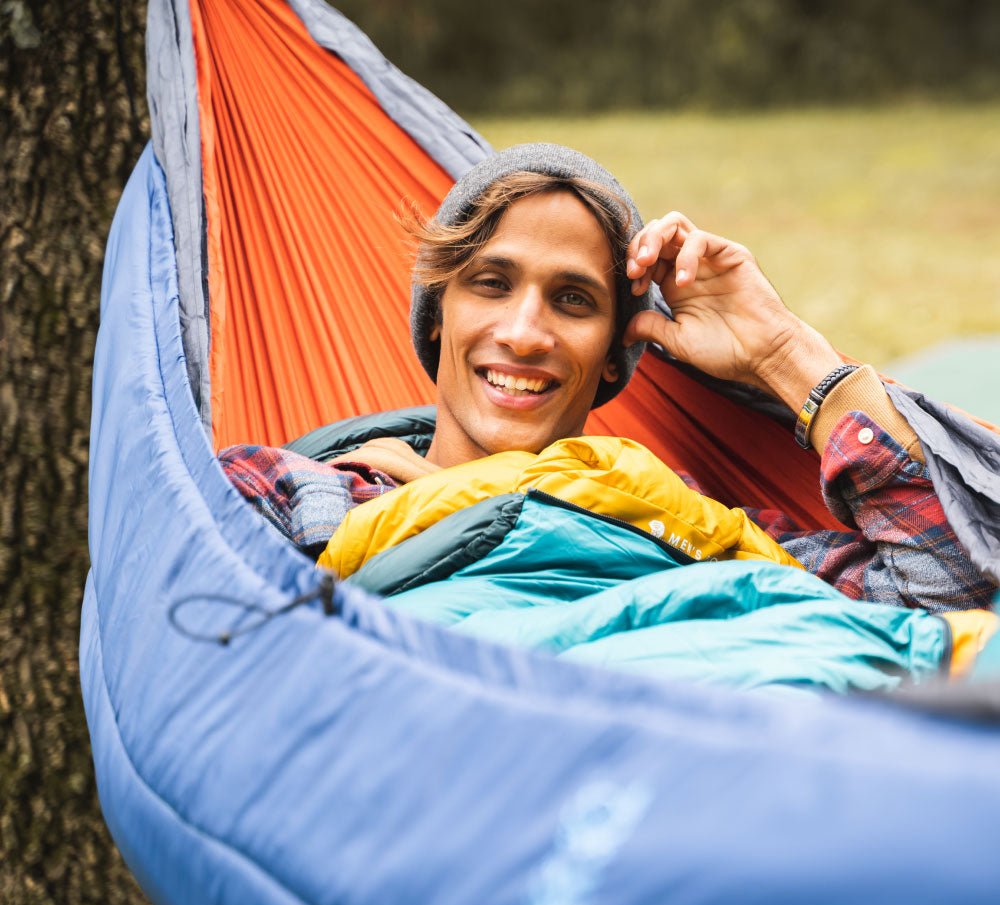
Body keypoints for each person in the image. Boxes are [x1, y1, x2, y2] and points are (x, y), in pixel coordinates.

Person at [323, 143, 993, 614]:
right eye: (492, 285)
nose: (525, 332)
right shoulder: (309, 494)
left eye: (573, 300)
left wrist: (783, 353)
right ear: (438, 315)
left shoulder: (680, 522)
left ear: (615, 352)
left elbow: (954, 599)